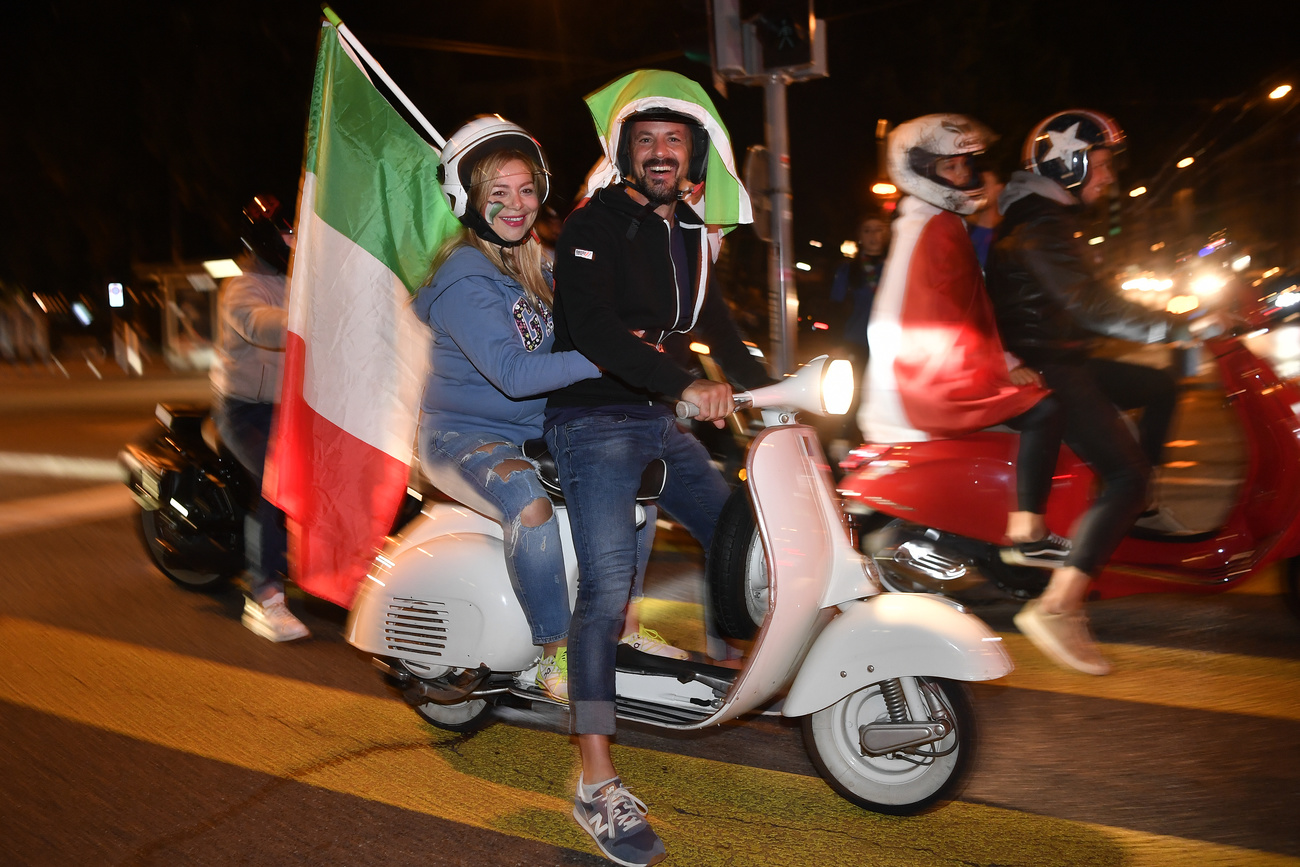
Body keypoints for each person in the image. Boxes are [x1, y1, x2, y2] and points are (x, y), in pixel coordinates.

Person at [545, 70, 770, 867]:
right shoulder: (588, 226)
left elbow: (726, 334)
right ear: (625, 154)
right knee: (607, 585)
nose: (660, 151)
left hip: (660, 416)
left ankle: (737, 664)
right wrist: (687, 384)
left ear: (694, 153)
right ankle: (593, 776)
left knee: (745, 535)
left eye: (674, 139)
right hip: (595, 418)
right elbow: (598, 333)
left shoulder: (691, 238)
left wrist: (783, 390)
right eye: (645, 140)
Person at [414, 117, 679, 705]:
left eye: (526, 189)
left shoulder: (538, 262)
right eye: (497, 193)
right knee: (530, 506)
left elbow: (602, 303)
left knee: (636, 482)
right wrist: (608, 356)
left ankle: (624, 630)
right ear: (469, 201)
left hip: (536, 430)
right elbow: (514, 375)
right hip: (464, 435)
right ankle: (553, 651)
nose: (516, 205)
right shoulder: (465, 277)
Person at [985, 109, 1189, 675]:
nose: (1108, 179)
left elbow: (1088, 300)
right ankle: (1059, 606)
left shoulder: (1045, 217)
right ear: (1068, 164)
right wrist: (1176, 324)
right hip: (1053, 367)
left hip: (1066, 355)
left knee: (1159, 385)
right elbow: (1091, 306)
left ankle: (1137, 506)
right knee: (1126, 474)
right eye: (1099, 166)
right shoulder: (1039, 227)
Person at [861, 114, 1070, 569]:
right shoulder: (933, 227)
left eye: (964, 166)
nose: (962, 177)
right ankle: (1028, 530)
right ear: (918, 171)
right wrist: (1002, 365)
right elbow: (952, 318)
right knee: (1046, 410)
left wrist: (1004, 357)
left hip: (915, 372)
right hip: (924, 380)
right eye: (949, 168)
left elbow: (963, 310)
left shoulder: (929, 220)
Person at [211, 195, 307, 642]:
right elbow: (258, 324)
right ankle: (264, 596)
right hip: (244, 408)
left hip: (291, 409)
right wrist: (306, 323)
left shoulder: (299, 281)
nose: (294, 240)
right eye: (287, 232)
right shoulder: (243, 286)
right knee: (273, 482)